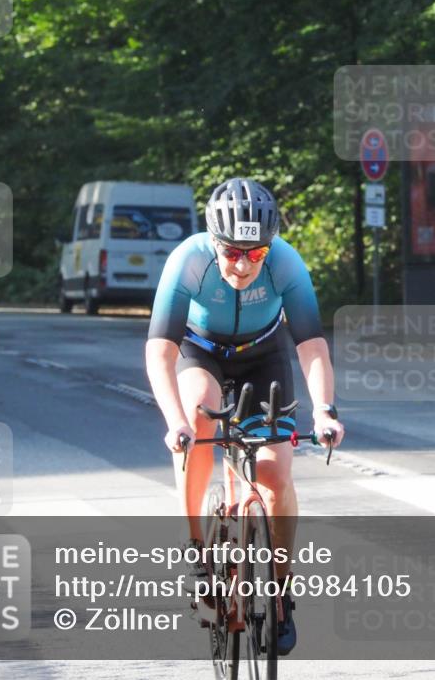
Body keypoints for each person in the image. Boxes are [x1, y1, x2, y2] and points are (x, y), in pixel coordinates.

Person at [145, 177, 344, 655]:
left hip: (264, 354)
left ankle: (280, 592)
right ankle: (197, 553)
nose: (242, 264)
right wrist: (174, 423)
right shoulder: (188, 260)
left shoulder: (285, 263)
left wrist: (324, 411)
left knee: (275, 475)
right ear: (214, 242)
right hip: (201, 350)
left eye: (255, 254)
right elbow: (160, 351)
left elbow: (312, 346)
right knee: (197, 419)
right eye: (232, 252)